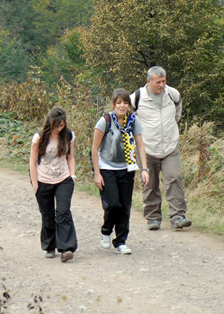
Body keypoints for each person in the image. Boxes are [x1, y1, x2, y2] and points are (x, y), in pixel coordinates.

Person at [132, 66, 191, 231]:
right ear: (148, 81)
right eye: (158, 82)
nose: (162, 85)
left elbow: (177, 113)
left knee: (174, 178)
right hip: (147, 149)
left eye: (164, 81)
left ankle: (178, 216)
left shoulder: (173, 94)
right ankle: (153, 218)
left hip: (170, 146)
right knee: (149, 183)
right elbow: (128, 119)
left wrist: (172, 127)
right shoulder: (136, 98)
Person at [91, 88, 150, 255]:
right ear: (113, 104)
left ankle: (121, 241)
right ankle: (106, 230)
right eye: (119, 103)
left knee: (125, 206)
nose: (122, 106)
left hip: (127, 167)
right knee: (113, 204)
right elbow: (95, 148)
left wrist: (144, 169)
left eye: (125, 103)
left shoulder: (133, 121)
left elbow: (140, 145)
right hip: (107, 168)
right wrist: (97, 173)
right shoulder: (105, 121)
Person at [29, 106, 77, 263]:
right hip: (43, 179)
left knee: (63, 212)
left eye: (61, 125)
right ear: (50, 122)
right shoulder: (40, 137)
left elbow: (70, 157)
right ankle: (50, 246)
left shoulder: (68, 135)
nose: (59, 128)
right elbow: (32, 161)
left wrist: (72, 175)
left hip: (63, 178)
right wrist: (35, 184)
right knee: (47, 215)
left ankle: (66, 248)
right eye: (56, 125)